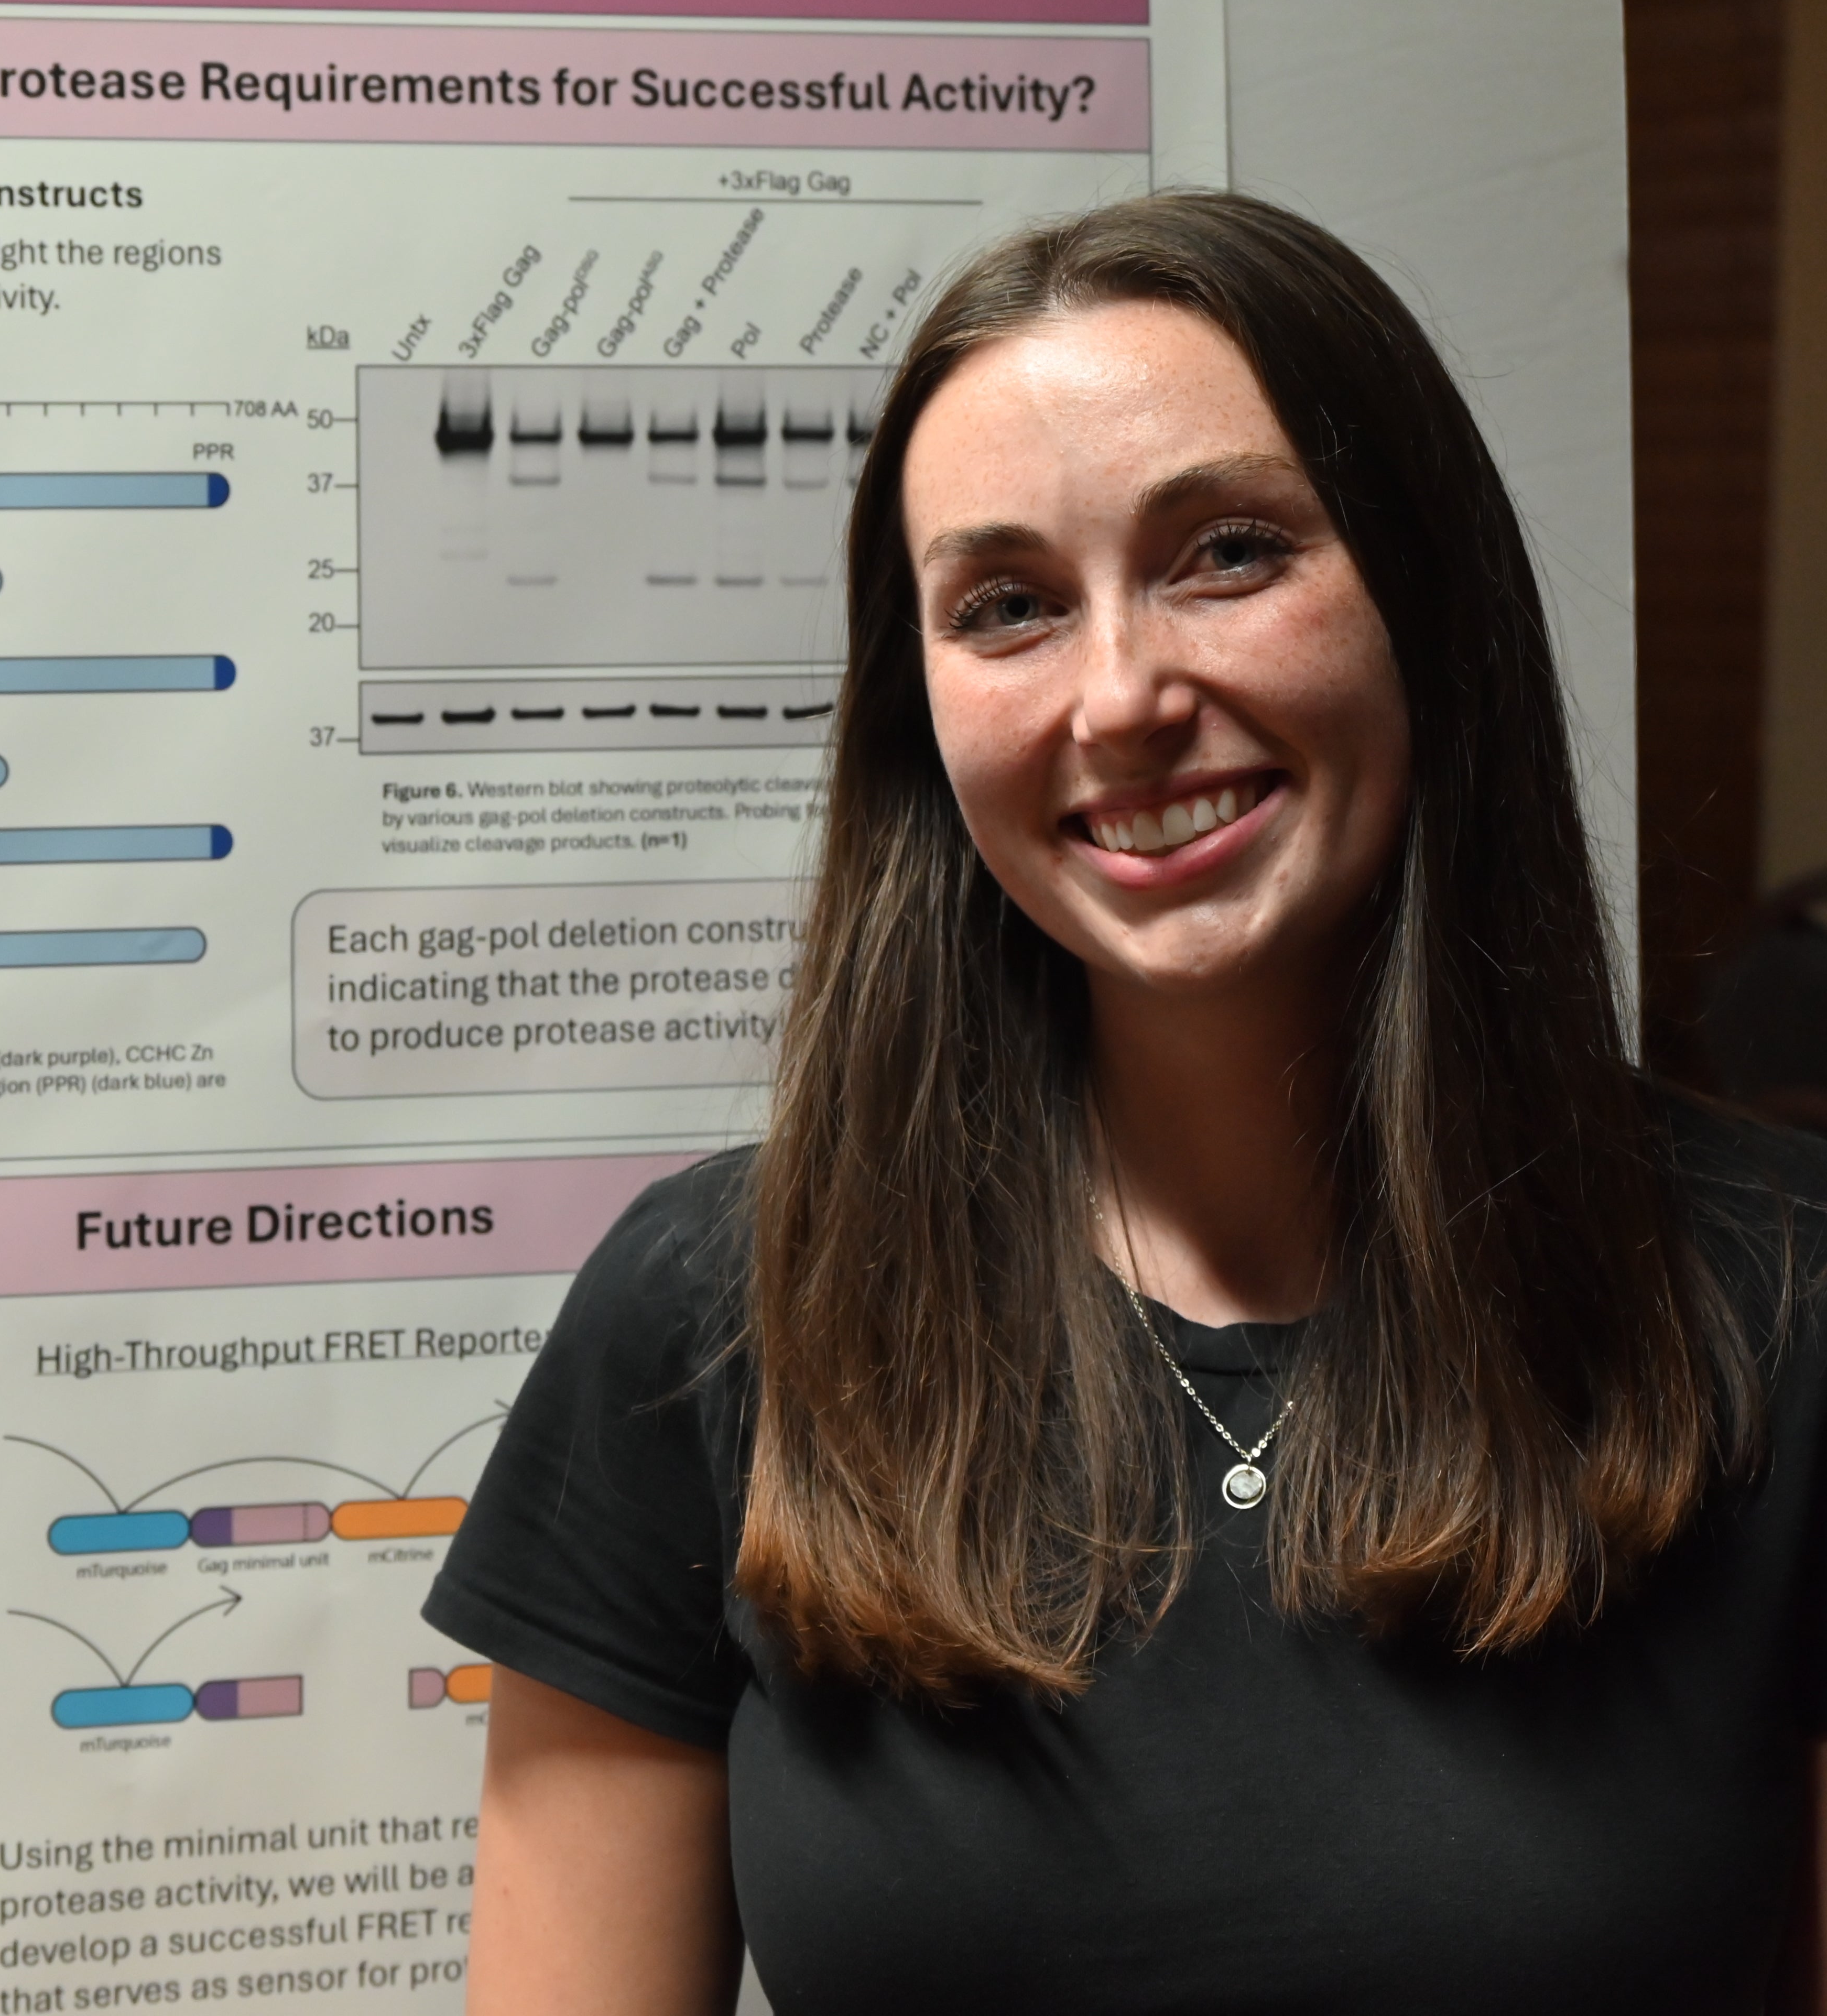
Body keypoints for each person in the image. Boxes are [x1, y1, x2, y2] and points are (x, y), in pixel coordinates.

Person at [422, 191, 1827, 2013]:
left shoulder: (1788, 1298)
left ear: (1429, 596)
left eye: (1229, 554)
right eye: (1007, 606)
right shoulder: (710, 1315)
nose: (1121, 698)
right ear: (920, 709)